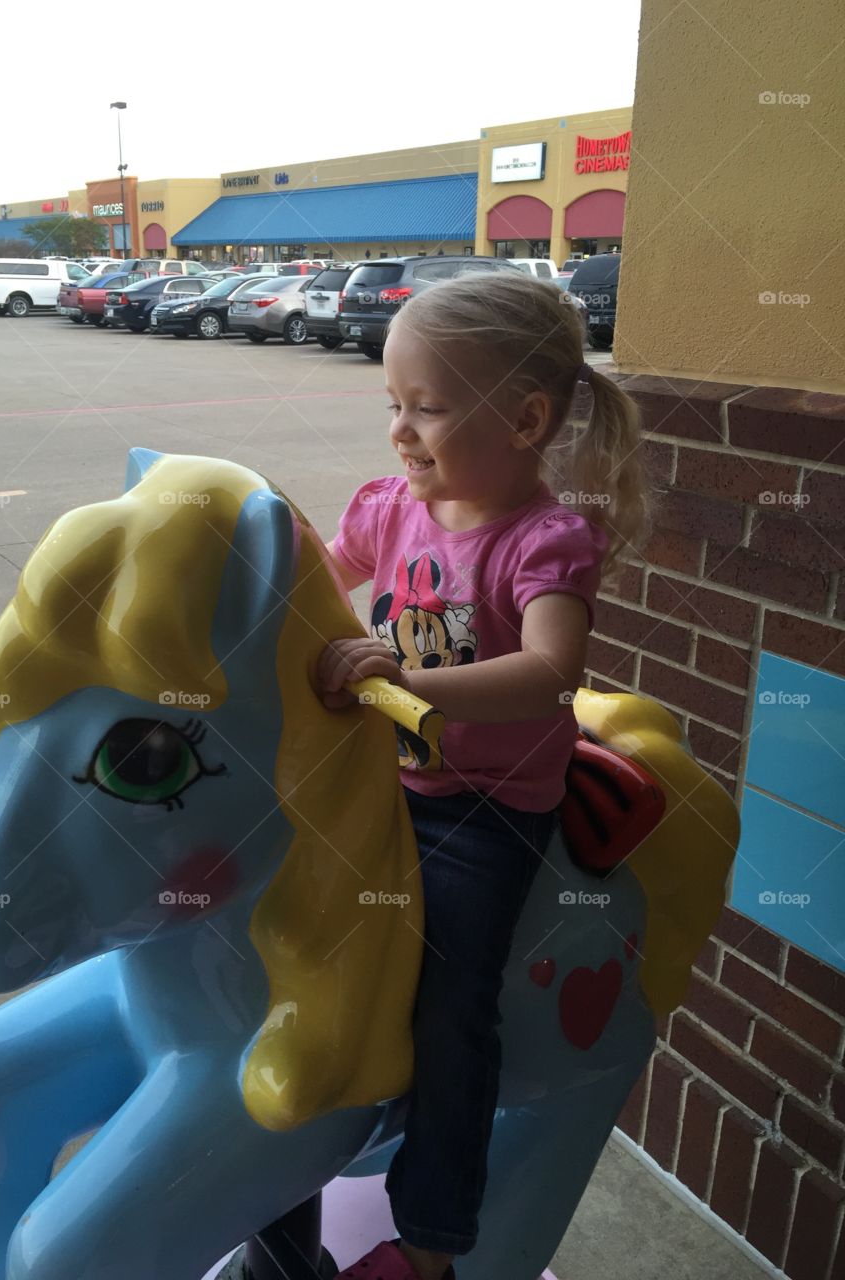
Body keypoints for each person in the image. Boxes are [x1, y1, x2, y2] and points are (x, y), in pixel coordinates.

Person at [314, 271, 649, 1280]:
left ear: (525, 418)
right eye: (393, 405)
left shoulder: (540, 542)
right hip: (387, 779)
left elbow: (553, 674)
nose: (400, 431)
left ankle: (428, 1235)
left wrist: (411, 681)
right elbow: (316, 583)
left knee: (454, 997)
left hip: (485, 809)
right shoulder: (390, 509)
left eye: (428, 406)